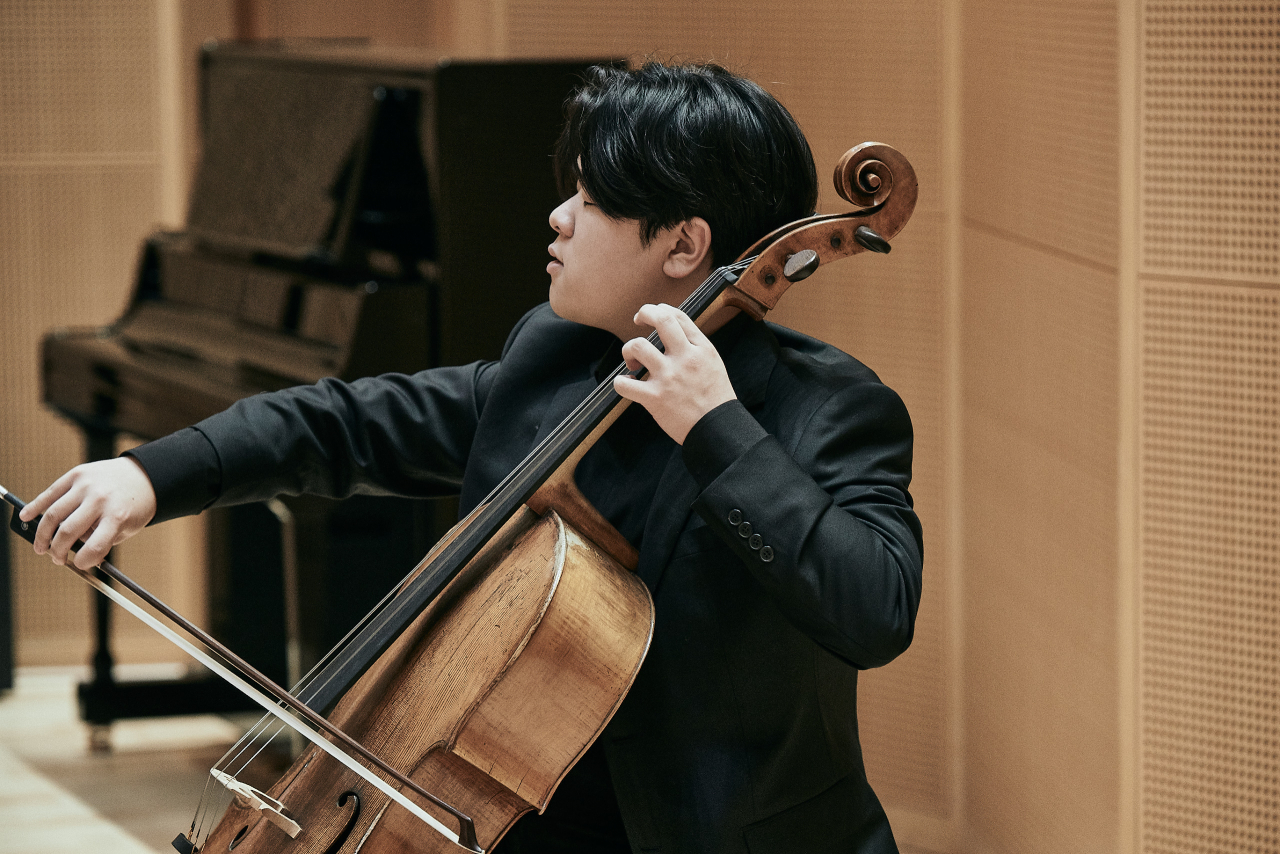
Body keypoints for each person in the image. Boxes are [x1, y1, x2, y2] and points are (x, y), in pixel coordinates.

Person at [21, 62, 923, 853]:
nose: (558, 218)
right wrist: (148, 475)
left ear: (685, 245)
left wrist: (716, 427)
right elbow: (344, 423)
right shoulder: (557, 363)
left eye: (593, 201)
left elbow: (873, 608)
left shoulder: (829, 410)